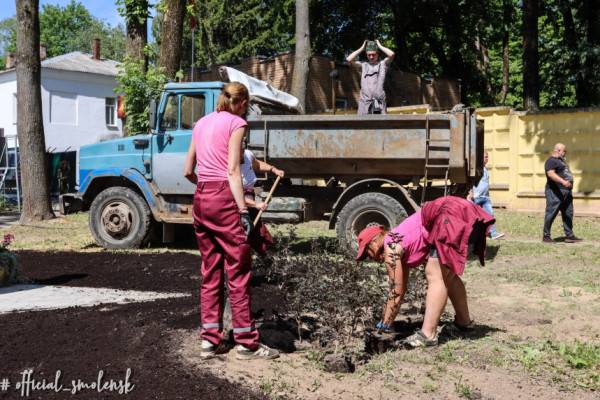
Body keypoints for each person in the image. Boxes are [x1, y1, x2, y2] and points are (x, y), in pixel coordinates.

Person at [183, 82, 279, 360]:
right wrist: (243, 210)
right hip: (225, 199)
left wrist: (206, 187)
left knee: (210, 270)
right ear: (241, 103)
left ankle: (209, 341)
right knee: (238, 270)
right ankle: (247, 343)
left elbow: (188, 170)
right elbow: (234, 170)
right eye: (246, 106)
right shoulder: (236, 124)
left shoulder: (200, 123)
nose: (246, 111)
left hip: (201, 199)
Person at [356, 196, 494, 347]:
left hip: (450, 215)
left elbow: (396, 292)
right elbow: (401, 288)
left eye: (367, 252)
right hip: (463, 212)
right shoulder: (400, 240)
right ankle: (464, 323)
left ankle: (428, 335)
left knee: (434, 274)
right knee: (449, 276)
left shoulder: (392, 248)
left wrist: (384, 326)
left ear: (375, 241)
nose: (369, 258)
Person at [241, 149, 284, 254]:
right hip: (237, 203)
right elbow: (232, 194)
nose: (241, 154)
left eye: (241, 150)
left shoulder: (247, 154)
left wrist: (273, 169)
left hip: (249, 198)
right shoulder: (226, 161)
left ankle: (267, 258)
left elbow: (257, 164)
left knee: (259, 232)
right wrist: (255, 204)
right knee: (242, 233)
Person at [543, 143, 582, 243]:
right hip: (555, 191)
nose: (565, 153)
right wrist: (563, 181)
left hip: (566, 192)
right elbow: (551, 174)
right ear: (558, 150)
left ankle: (569, 235)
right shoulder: (551, 161)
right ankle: (546, 236)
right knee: (551, 213)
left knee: (568, 213)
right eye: (564, 151)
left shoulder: (561, 161)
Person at [346, 39, 395, 115]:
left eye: (373, 54)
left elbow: (391, 54)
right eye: (369, 55)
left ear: (377, 54)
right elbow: (349, 59)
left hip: (379, 104)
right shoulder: (363, 65)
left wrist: (379, 45)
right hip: (364, 104)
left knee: (381, 126)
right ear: (366, 55)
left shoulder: (383, 64)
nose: (371, 57)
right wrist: (362, 48)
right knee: (364, 126)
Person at [469, 151, 504, 240]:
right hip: (476, 197)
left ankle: (492, 233)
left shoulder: (485, 169)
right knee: (473, 217)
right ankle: (470, 235)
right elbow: (471, 181)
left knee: (490, 214)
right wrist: (470, 192)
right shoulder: (476, 169)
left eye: (487, 157)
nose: (486, 158)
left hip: (485, 197)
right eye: (485, 157)